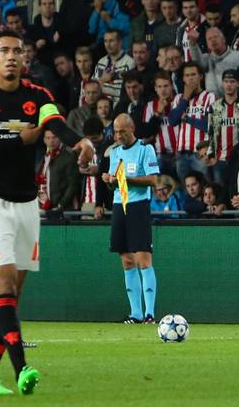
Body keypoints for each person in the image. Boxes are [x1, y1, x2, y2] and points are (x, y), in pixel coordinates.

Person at [0, 30, 94, 395]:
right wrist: (19, 140)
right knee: (0, 285)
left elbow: (54, 123)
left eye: (18, 51)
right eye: (5, 51)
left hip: (27, 204)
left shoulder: (38, 95)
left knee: (11, 296)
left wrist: (78, 141)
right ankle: (22, 368)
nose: (13, 56)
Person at [101, 113, 160, 324]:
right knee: (126, 260)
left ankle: (150, 313)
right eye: (115, 132)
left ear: (132, 129)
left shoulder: (145, 149)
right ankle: (135, 313)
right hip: (120, 206)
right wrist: (108, 179)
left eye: (122, 132)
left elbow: (153, 179)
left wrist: (125, 179)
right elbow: (114, 182)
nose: (118, 136)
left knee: (143, 259)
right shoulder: (115, 153)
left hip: (138, 207)